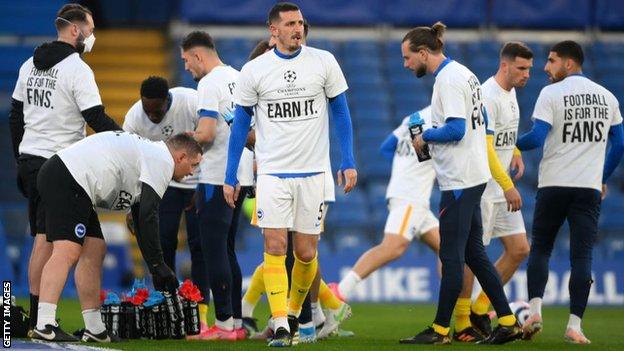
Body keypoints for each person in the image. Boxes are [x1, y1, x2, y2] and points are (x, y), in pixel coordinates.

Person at [224, 2, 357, 347]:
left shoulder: (323, 61)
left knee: (307, 254)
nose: (298, 28)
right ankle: (281, 321)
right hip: (273, 174)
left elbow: (341, 112)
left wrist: (349, 159)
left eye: (300, 23)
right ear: (274, 30)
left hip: (314, 173)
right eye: (290, 24)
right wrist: (230, 174)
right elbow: (240, 125)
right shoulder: (254, 70)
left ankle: (294, 314)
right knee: (274, 244)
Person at [398, 22, 521, 345]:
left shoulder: (448, 81)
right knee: (475, 254)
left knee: (452, 258)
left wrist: (426, 135)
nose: (406, 64)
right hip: (474, 175)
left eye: (408, 57)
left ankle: (440, 331)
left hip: (459, 180)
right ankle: (508, 321)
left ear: (424, 52)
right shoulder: (465, 73)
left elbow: (455, 130)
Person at [8, 3, 119, 333]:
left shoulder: (29, 64)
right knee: (47, 239)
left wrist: (21, 158)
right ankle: (41, 320)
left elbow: (16, 115)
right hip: (61, 167)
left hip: (33, 160)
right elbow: (95, 116)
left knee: (92, 243)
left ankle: (87, 324)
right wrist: (128, 141)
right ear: (75, 30)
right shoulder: (77, 69)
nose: (93, 35)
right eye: (91, 29)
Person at [32, 132, 201, 342]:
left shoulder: (154, 154)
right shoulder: (163, 160)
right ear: (181, 157)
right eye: (193, 165)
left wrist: (156, 266)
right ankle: (44, 323)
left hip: (70, 178)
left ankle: (95, 329)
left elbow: (140, 217)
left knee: (95, 249)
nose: (192, 172)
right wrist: (158, 265)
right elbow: (148, 216)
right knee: (67, 250)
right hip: (69, 177)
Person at [517, 40, 624, 344]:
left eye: (551, 61)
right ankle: (574, 326)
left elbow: (536, 137)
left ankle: (535, 311)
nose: (546, 67)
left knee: (540, 249)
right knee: (582, 257)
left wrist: (509, 142)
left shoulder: (551, 93)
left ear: (568, 63)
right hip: (587, 189)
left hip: (553, 184)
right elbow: (620, 143)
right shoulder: (608, 97)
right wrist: (601, 176)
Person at [453, 42, 533, 341]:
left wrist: (515, 151)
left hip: (500, 188)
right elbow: (485, 147)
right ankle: (463, 320)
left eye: (529, 69)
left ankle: (480, 307)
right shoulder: (488, 95)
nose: (526, 75)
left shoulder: (511, 94)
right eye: (521, 68)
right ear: (505, 65)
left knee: (519, 249)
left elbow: (504, 133)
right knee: (473, 256)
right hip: (486, 189)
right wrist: (508, 185)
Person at [180, 30, 255, 341]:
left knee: (213, 251)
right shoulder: (239, 78)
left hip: (215, 177)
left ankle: (223, 325)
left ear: (199, 55)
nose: (186, 67)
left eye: (186, 61)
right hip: (242, 174)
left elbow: (207, 134)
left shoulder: (209, 84)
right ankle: (235, 323)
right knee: (227, 250)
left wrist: (182, 139)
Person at [122, 76, 210, 335]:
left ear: (167, 101)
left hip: (196, 180)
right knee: (162, 245)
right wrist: (131, 205)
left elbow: (213, 137)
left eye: (157, 111)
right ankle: (166, 309)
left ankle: (200, 314)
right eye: (147, 110)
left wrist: (201, 182)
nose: (152, 116)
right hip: (163, 186)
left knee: (200, 247)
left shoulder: (190, 101)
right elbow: (129, 162)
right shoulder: (134, 118)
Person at [330, 106, 440, 301]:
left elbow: (387, 147)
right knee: (393, 247)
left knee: (447, 249)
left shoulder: (414, 117)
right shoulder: (444, 120)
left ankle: (465, 308)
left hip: (408, 194)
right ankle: (339, 294)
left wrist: (404, 168)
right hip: (411, 196)